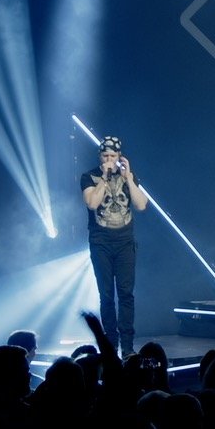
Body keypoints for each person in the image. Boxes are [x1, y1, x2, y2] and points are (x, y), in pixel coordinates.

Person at [80, 135, 149, 356]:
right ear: (99, 156)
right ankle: (110, 344)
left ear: (119, 156)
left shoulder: (128, 176)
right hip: (101, 242)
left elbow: (141, 205)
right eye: (105, 155)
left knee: (126, 293)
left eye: (113, 155)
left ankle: (127, 346)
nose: (109, 159)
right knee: (107, 294)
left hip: (124, 242)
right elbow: (92, 203)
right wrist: (104, 178)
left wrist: (128, 178)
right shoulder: (89, 177)